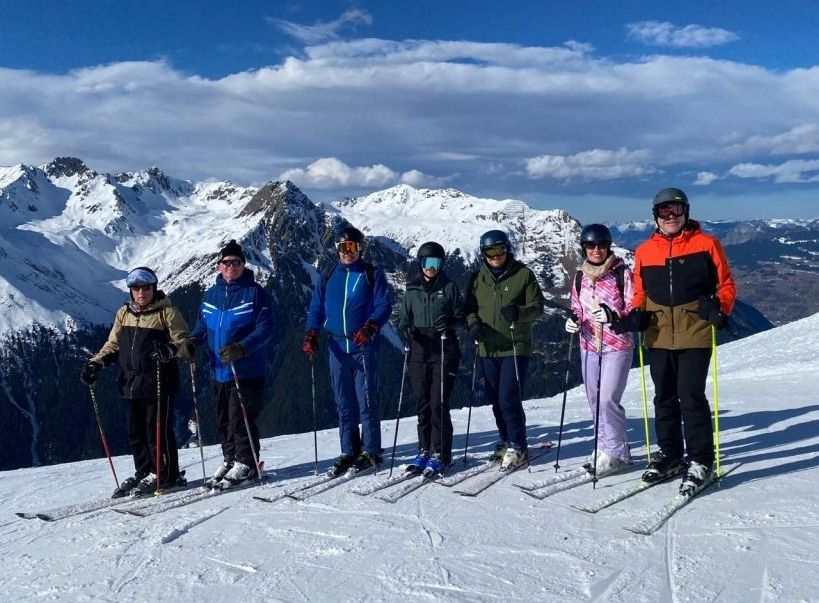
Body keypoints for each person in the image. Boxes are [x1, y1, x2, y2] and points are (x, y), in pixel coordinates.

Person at [606, 188, 736, 495]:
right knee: (663, 397)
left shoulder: (707, 244)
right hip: (658, 332)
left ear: (686, 212)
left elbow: (726, 284)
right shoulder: (644, 251)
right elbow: (640, 292)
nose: (670, 216)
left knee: (690, 397)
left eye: (676, 210)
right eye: (664, 211)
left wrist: (720, 308)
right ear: (655, 216)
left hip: (695, 330)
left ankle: (701, 460)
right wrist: (636, 313)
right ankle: (671, 454)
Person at [81, 267, 189, 498]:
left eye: (146, 288)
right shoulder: (124, 313)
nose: (141, 292)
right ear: (131, 290)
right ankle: (144, 471)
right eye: (136, 288)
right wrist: (96, 363)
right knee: (136, 433)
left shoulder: (167, 313)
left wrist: (170, 349)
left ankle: (165, 475)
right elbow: (113, 345)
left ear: (154, 288)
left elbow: (184, 342)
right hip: (130, 383)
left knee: (156, 432)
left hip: (158, 383)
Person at [302, 226, 393, 476]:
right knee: (343, 402)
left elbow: (384, 305)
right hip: (337, 347)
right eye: (342, 247)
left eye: (352, 247)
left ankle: (371, 450)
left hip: (363, 345)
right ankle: (349, 450)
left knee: (367, 401)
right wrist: (311, 333)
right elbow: (316, 307)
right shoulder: (329, 274)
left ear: (360, 248)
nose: (347, 252)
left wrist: (371, 326)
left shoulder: (371, 274)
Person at [184, 240, 273, 487]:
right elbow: (203, 325)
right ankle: (231, 458)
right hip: (219, 369)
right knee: (223, 418)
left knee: (240, 417)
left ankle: (247, 462)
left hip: (247, 370)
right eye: (226, 262)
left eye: (236, 262)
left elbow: (266, 328)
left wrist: (243, 348)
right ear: (219, 266)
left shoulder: (254, 293)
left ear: (243, 265)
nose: (231, 266)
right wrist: (193, 340)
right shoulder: (210, 295)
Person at [464, 229, 544, 470]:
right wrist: (473, 324)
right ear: (483, 253)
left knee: (508, 397)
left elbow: (537, 307)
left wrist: (519, 313)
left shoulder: (523, 274)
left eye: (499, 250)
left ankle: (518, 444)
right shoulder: (477, 278)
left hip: (515, 345)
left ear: (507, 249)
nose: (495, 256)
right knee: (495, 400)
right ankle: (506, 439)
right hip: (487, 347)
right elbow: (469, 308)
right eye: (490, 251)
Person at [565, 224, 634, 475]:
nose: (596, 250)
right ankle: (603, 446)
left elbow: (634, 307)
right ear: (583, 248)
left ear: (608, 246)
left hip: (617, 345)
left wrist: (613, 316)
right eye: (590, 245)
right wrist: (573, 319)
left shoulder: (621, 273)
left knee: (607, 400)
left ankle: (618, 453)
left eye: (601, 245)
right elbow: (576, 306)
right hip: (588, 345)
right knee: (594, 400)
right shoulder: (580, 276)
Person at [397, 241, 464, 476]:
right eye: (426, 262)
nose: (431, 267)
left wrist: (451, 322)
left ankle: (441, 453)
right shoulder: (412, 289)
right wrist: (405, 329)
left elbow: (461, 317)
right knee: (423, 404)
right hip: (419, 352)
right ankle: (424, 449)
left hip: (444, 350)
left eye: (435, 262)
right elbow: (403, 318)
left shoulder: (449, 288)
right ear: (420, 263)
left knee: (438, 403)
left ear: (442, 264)